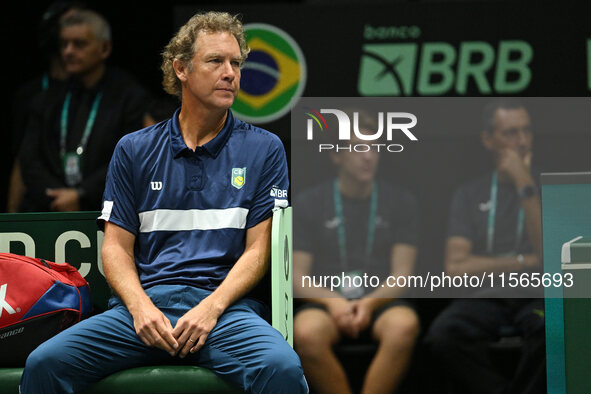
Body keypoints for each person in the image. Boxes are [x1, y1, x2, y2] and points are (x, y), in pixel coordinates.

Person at [20, 11, 307, 394]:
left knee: (282, 368)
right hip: (144, 309)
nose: (231, 73)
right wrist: (140, 309)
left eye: (236, 63)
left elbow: (258, 250)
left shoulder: (265, 149)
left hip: (226, 311)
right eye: (215, 61)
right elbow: (116, 248)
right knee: (44, 364)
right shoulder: (134, 149)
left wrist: (211, 308)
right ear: (182, 69)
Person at [293, 112, 420, 394]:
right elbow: (297, 277)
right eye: (359, 147)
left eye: (374, 147)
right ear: (336, 156)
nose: (368, 156)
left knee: (404, 325)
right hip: (327, 301)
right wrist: (335, 302)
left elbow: (403, 274)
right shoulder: (311, 202)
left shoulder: (400, 201)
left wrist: (368, 304)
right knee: (306, 332)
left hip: (380, 302)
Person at [425, 99, 546, 394]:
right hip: (486, 295)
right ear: (488, 140)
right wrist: (524, 261)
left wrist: (524, 184)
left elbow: (548, 257)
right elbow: (456, 268)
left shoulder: (544, 187)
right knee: (442, 337)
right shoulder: (469, 193)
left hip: (534, 294)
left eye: (527, 132)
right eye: (511, 133)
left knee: (554, 332)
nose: (522, 141)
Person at [17, 9, 148, 212]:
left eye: (79, 44)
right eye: (64, 44)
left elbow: (133, 157)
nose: (68, 51)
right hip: (49, 207)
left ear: (104, 48)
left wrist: (83, 194)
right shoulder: (46, 99)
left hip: (107, 208)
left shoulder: (129, 97)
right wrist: (56, 197)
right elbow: (29, 159)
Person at [7, 1, 86, 212]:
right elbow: (22, 160)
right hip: (43, 203)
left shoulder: (101, 92)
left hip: (88, 202)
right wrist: (12, 221)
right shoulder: (31, 95)